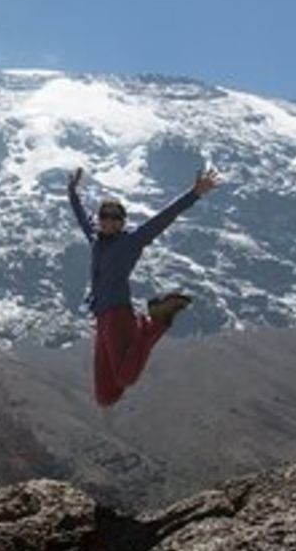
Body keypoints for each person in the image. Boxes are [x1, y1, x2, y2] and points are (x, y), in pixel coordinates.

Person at [67, 165, 222, 407]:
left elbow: (163, 219)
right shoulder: (96, 239)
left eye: (114, 217)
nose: (107, 221)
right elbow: (80, 217)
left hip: (118, 313)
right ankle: (146, 324)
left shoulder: (130, 242)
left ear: (121, 222)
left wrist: (194, 193)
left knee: (126, 377)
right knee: (105, 396)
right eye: (104, 216)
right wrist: (72, 192)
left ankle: (158, 319)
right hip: (102, 317)